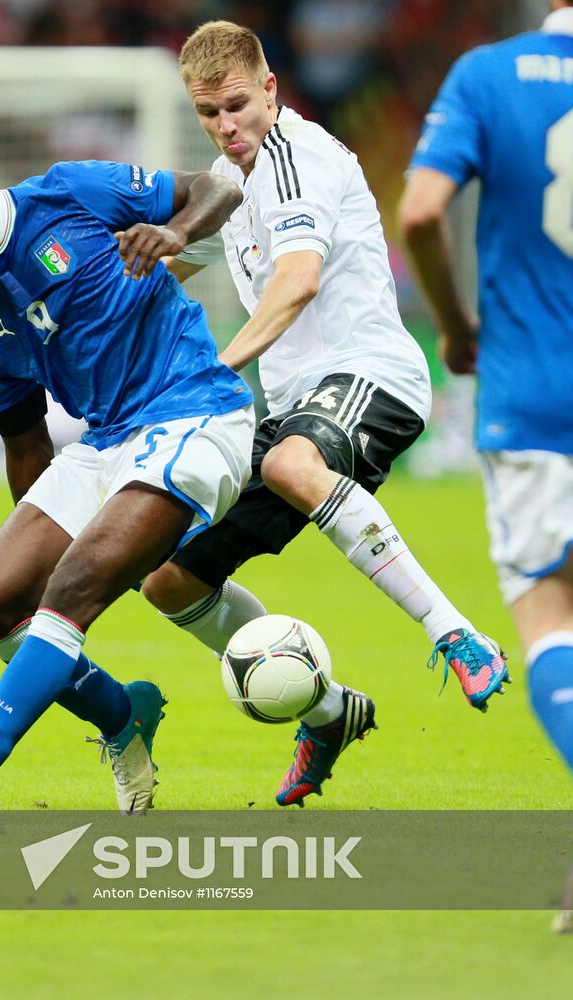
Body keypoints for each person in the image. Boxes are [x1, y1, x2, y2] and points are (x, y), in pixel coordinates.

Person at [126, 20, 509, 810]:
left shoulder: (303, 158)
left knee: (287, 464)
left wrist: (215, 368)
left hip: (372, 374)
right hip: (301, 403)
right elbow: (176, 260)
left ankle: (454, 633)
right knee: (165, 576)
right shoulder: (229, 180)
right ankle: (327, 710)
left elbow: (297, 280)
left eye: (236, 105)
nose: (224, 126)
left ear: (270, 89)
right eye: (207, 112)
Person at [0, 137, 255, 825]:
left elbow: (215, 189)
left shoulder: (68, 193)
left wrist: (175, 231)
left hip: (193, 408)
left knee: (67, 597)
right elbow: (24, 442)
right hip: (104, 442)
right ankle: (122, 714)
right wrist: (52, 543)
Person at [398, 0, 573, 932]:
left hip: (537, 395)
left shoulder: (487, 75)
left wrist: (455, 323)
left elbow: (423, 210)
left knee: (553, 616)